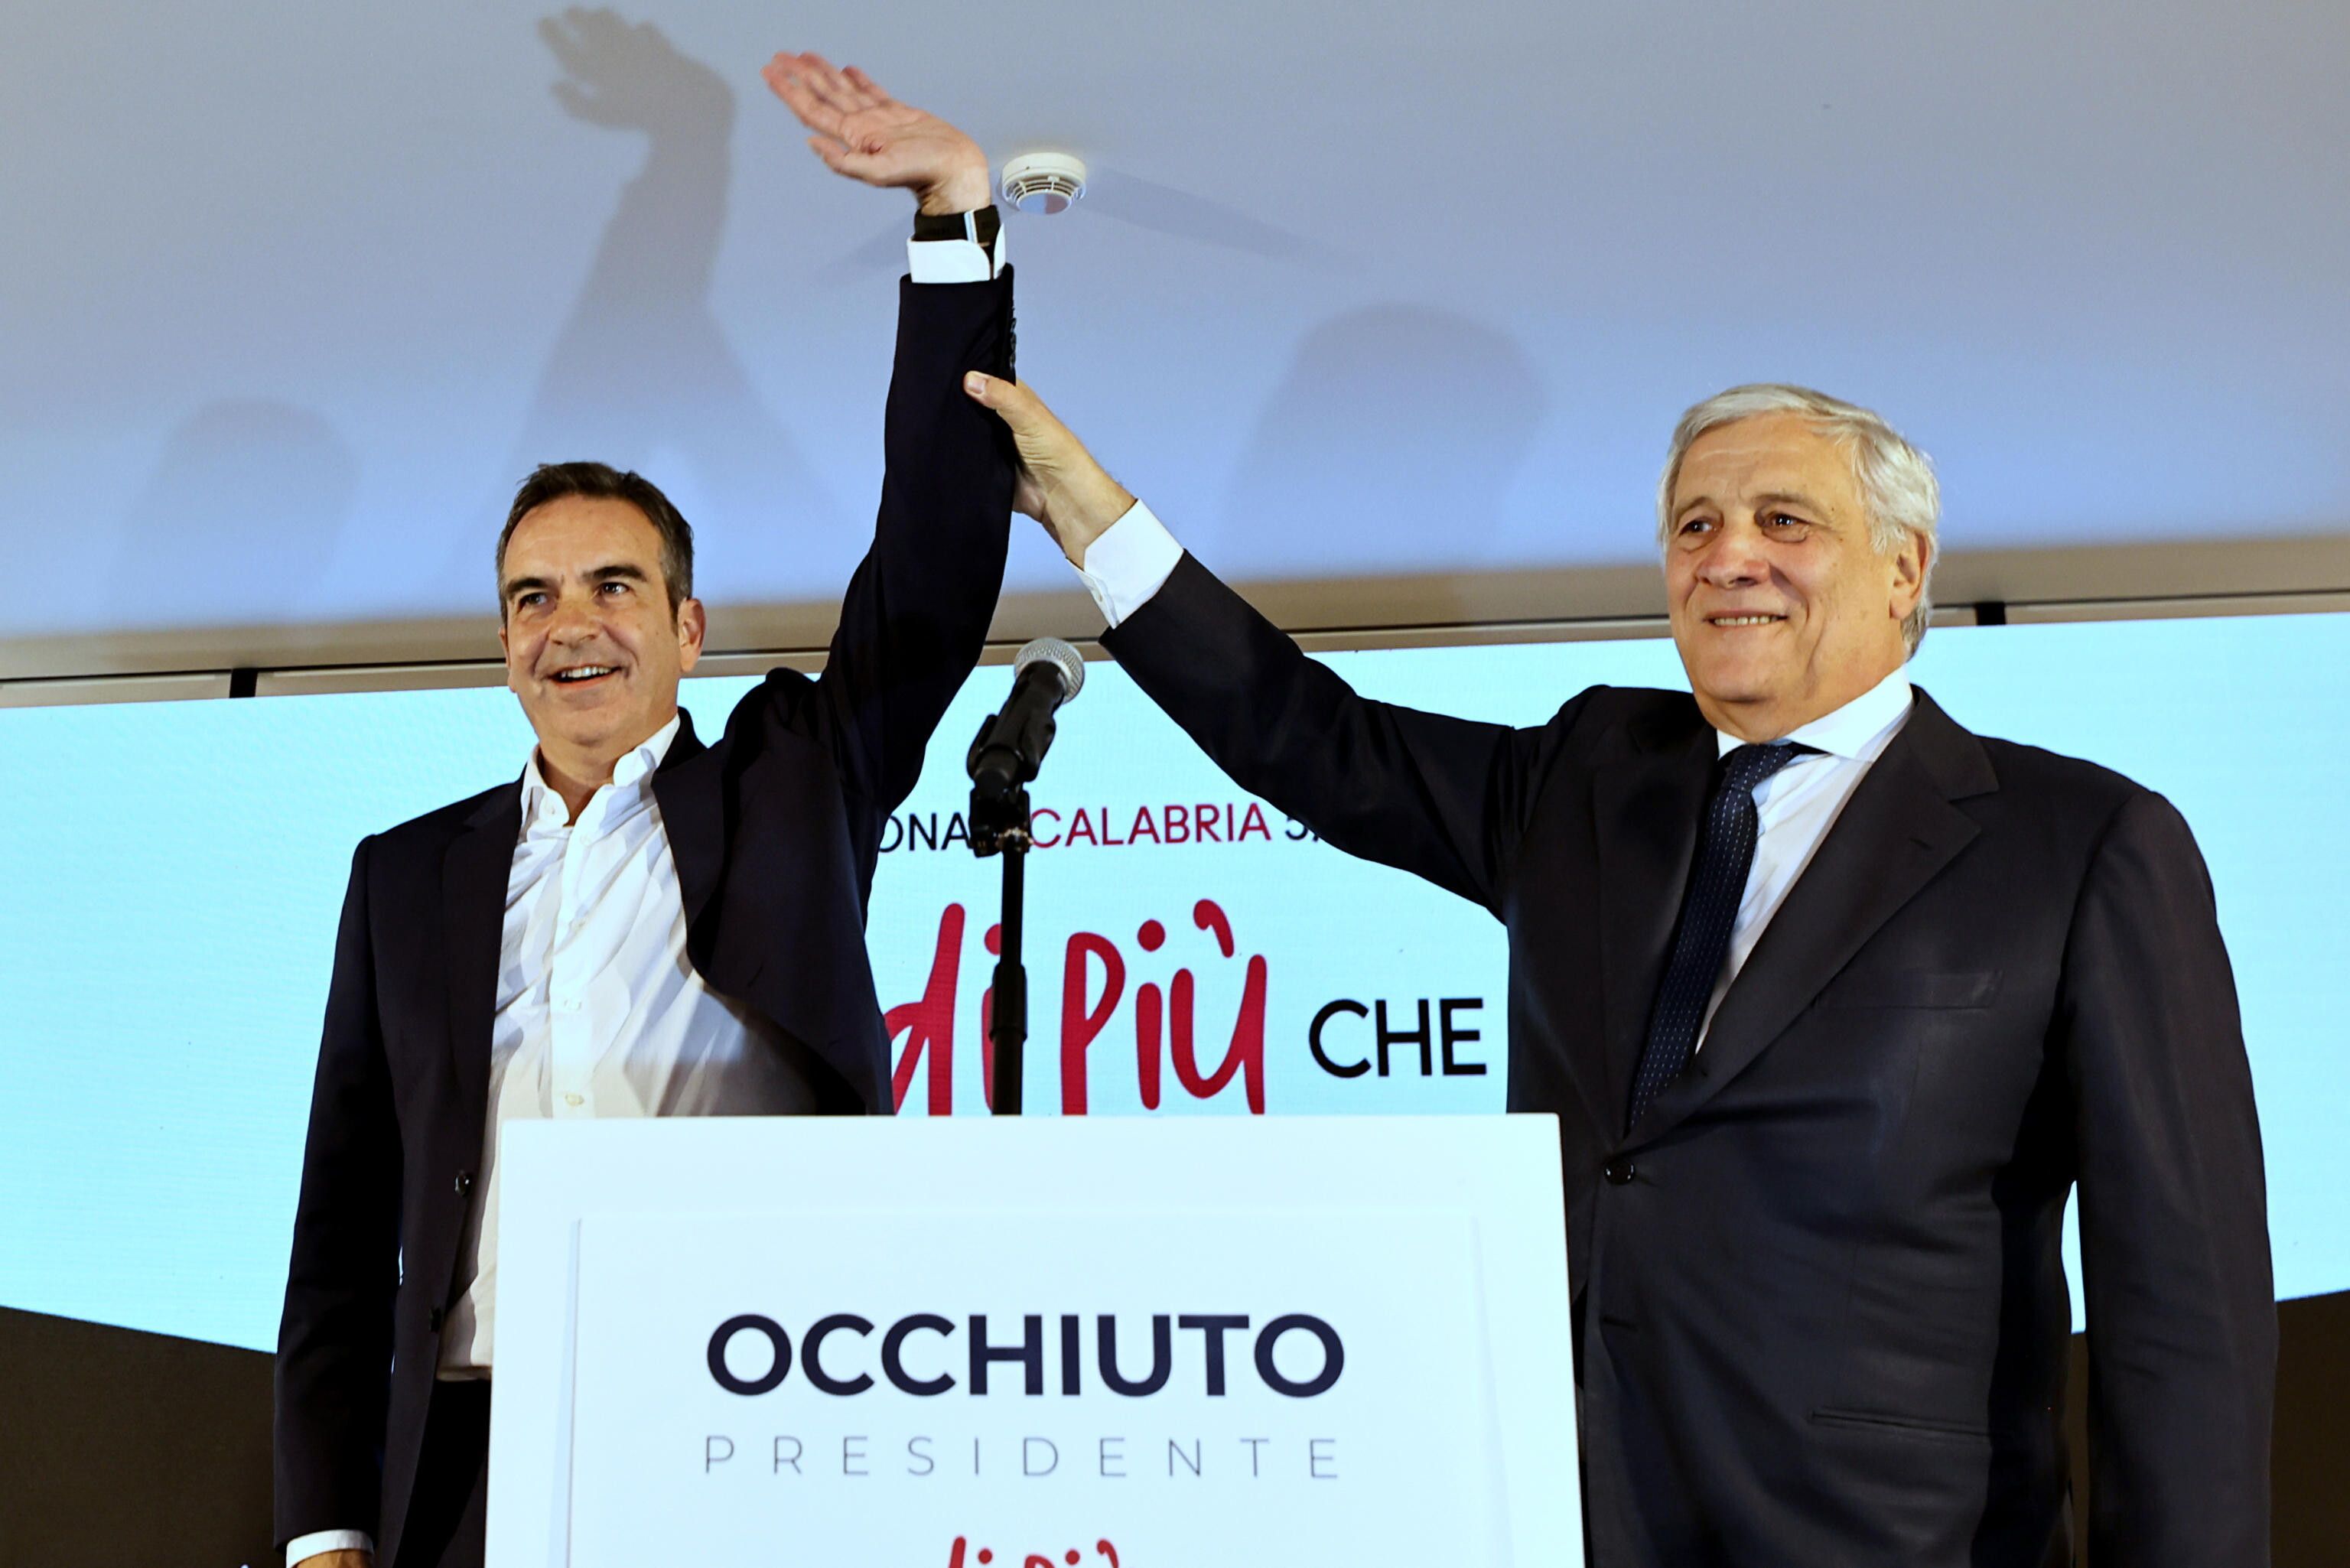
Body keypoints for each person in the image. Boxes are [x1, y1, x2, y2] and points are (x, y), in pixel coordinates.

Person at [961, 374, 2276, 1565]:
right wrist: (1091, 517)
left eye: (1783, 520)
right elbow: (1311, 737)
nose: (1729, 557)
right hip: (1569, 1521)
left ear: (1904, 567)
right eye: (1695, 525)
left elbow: (2186, 1318)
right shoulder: (1586, 773)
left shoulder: (2081, 843)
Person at [273, 54, 1014, 1568]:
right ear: (504, 643)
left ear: (687, 628)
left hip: (740, 1422)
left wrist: (952, 217)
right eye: (532, 595)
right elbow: (344, 1225)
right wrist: (325, 1523)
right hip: (468, 1458)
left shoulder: (791, 782)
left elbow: (933, 566)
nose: (573, 623)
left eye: (615, 585)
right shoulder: (403, 879)